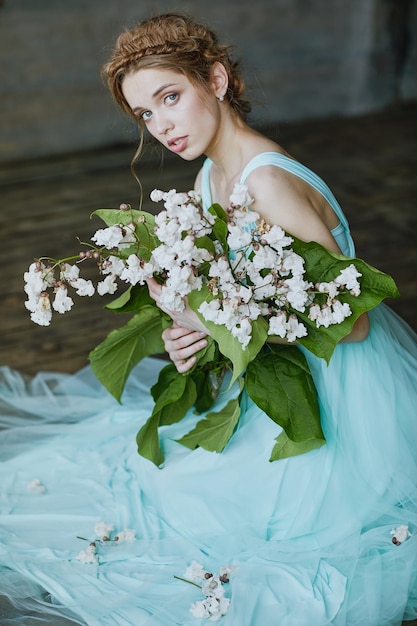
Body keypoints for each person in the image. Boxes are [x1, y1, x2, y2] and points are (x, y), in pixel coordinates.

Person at [1, 12, 416, 626]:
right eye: (145, 113)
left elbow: (352, 324)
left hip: (339, 384)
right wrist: (189, 326)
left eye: (170, 97)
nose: (160, 124)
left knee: (214, 514)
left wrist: (221, 322)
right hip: (274, 367)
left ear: (216, 80)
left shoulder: (268, 182)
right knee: (167, 478)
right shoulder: (210, 172)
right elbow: (230, 287)